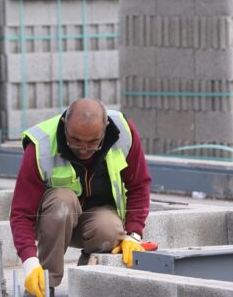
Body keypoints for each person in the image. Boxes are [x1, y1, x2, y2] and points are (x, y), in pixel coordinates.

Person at [10, 99, 152, 297]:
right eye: (76, 140)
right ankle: (44, 284)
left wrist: (133, 234)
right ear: (64, 126)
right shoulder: (40, 145)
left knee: (109, 229)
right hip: (53, 221)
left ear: (105, 129)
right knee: (62, 202)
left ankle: (87, 279)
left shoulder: (124, 134)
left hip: (94, 219)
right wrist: (30, 263)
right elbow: (21, 213)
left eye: (93, 142)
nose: (84, 149)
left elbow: (139, 185)